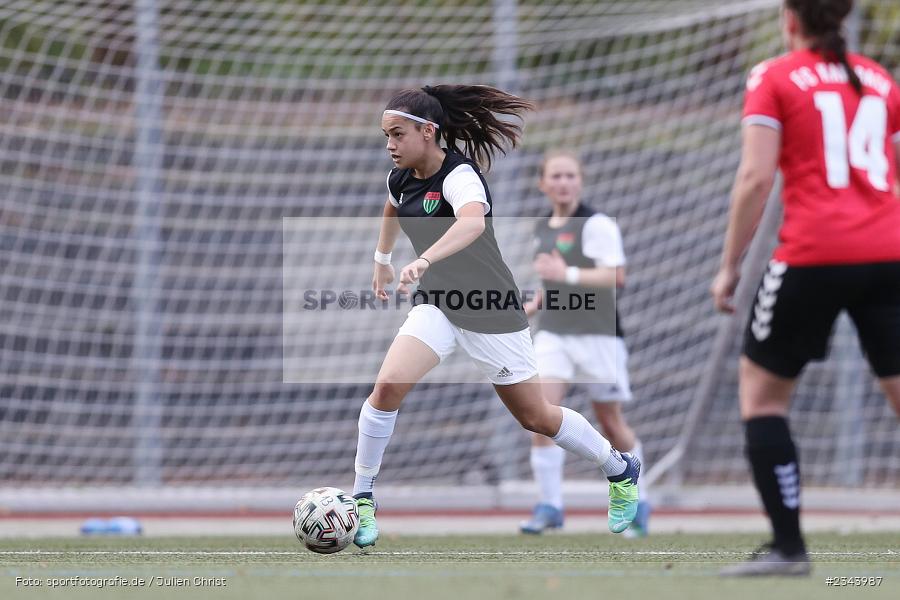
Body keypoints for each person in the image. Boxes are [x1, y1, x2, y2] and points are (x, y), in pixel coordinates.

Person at [352, 85, 641, 548]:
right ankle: (362, 498)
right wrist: (381, 257)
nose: (390, 143)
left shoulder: (460, 175)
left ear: (429, 132)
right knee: (385, 389)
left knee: (537, 418)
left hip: (490, 309)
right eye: (386, 134)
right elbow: (391, 204)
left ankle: (620, 467)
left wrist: (424, 259)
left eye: (397, 134)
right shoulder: (400, 176)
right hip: (438, 306)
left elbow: (470, 222)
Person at [712, 0, 900, 577]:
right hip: (889, 254)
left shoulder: (773, 76)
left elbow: (755, 177)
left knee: (763, 399)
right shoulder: (881, 78)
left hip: (814, 254)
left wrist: (730, 264)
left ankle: (789, 548)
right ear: (843, 19)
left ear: (790, 17)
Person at [519, 150, 651, 537]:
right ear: (543, 184)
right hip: (555, 333)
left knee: (610, 421)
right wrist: (533, 304)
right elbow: (551, 281)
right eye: (555, 176)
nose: (563, 183)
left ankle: (637, 497)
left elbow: (616, 277)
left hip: (598, 336)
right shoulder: (542, 227)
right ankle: (550, 507)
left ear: (581, 181)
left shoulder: (596, 225)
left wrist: (568, 272)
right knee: (539, 415)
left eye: (570, 176)